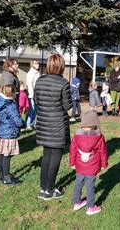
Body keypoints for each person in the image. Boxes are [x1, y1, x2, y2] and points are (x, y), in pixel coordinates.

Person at [35, 54, 72, 200]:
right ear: (61, 66)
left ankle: (44, 188)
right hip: (57, 124)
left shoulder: (39, 80)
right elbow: (67, 105)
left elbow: (37, 100)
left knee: (46, 156)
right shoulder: (63, 83)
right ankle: (49, 190)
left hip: (43, 122)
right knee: (55, 156)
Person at [70, 111, 108, 215]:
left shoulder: (76, 136)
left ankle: (77, 203)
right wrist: (104, 164)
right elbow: (103, 152)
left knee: (78, 183)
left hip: (79, 166)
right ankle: (91, 207)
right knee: (90, 187)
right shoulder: (99, 137)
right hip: (92, 167)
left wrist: (72, 163)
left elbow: (72, 150)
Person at [0, 84, 24, 185]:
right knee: (7, 155)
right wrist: (22, 123)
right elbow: (17, 120)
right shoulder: (10, 104)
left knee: (0, 154)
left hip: (1, 132)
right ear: (11, 93)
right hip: (9, 133)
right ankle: (7, 177)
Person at [26, 59, 41, 128]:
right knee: (32, 109)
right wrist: (31, 95)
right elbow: (29, 85)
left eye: (38, 63)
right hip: (32, 93)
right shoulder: (30, 73)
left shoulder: (38, 73)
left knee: (36, 110)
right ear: (32, 64)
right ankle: (28, 124)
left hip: (38, 93)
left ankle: (32, 123)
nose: (37, 65)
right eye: (35, 63)